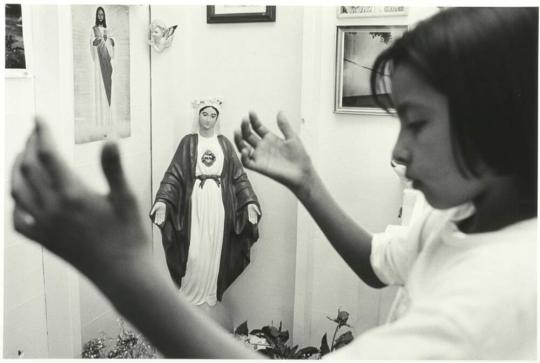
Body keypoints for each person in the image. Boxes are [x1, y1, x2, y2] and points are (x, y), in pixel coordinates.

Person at [10, 7, 537, 359]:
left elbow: (238, 184)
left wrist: (123, 274)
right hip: (196, 211)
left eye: (416, 123)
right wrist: (307, 184)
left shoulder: (494, 302)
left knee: (208, 275)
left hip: (217, 216)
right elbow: (381, 262)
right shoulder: (462, 209)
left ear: (498, 120)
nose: (397, 151)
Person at [149, 98, 261, 329]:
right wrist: (162, 201)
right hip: (194, 207)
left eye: (212, 115)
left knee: (213, 252)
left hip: (219, 208)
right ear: (197, 115)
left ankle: (209, 296)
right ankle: (190, 297)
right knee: (194, 254)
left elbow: (239, 178)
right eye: (204, 114)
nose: (208, 119)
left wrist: (249, 202)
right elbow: (174, 174)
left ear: (217, 118)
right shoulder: (188, 143)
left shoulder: (225, 145)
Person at [91, 6, 115, 128]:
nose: (100, 16)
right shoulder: (93, 29)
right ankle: (101, 123)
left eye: (102, 14)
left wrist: (109, 40)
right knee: (101, 88)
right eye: (99, 14)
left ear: (104, 16)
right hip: (99, 64)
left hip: (107, 61)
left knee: (109, 87)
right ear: (96, 15)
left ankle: (109, 120)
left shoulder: (107, 29)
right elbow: (92, 43)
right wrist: (98, 41)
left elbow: (112, 43)